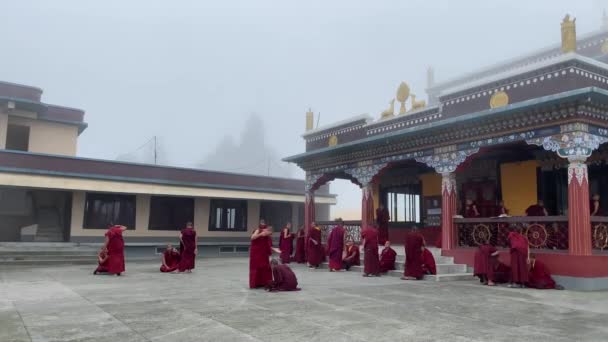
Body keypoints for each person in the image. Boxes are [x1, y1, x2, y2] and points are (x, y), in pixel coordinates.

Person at [250, 220, 280, 288]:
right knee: (256, 268)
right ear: (267, 230)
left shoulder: (267, 236)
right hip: (256, 254)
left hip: (263, 254)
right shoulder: (258, 230)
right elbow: (252, 237)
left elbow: (268, 246)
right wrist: (260, 234)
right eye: (269, 233)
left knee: (265, 268)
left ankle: (264, 282)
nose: (269, 235)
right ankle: (255, 283)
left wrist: (275, 249)